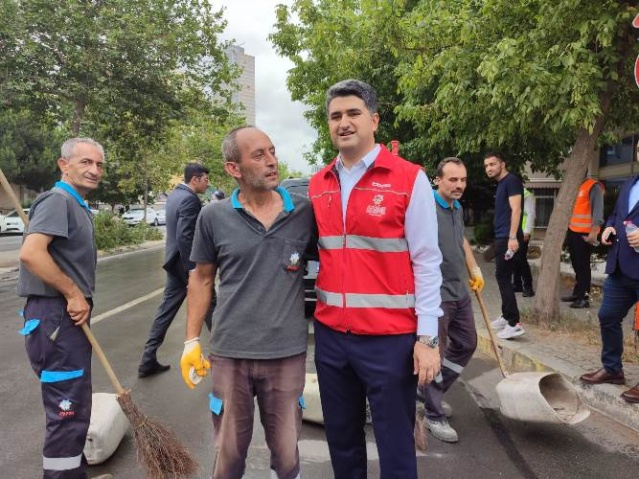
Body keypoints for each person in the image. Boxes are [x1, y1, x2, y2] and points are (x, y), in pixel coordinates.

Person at [308, 79, 442, 479]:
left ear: (374, 120)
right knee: (342, 441)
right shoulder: (319, 184)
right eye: (335, 116)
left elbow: (427, 261)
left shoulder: (408, 178)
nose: (343, 123)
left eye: (353, 113)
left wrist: (427, 338)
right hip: (332, 339)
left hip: (389, 341)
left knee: (395, 444)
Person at [179, 126, 315, 479]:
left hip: (286, 353)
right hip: (230, 354)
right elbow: (202, 278)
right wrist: (192, 340)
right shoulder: (213, 217)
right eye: (259, 155)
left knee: (286, 455)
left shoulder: (303, 212)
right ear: (233, 168)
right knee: (229, 455)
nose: (272, 162)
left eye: (272, 151)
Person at [18, 138, 111, 479]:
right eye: (86, 162)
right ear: (64, 164)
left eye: (99, 164)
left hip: (63, 320)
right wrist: (73, 293)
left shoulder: (75, 204)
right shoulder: (58, 200)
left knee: (74, 404)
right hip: (56, 319)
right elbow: (31, 253)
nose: (94, 170)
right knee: (66, 411)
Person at [418, 157, 483, 443]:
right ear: (438, 180)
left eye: (463, 180)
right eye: (453, 180)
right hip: (436, 297)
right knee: (434, 356)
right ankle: (433, 414)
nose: (459, 185)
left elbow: (461, 241)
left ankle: (429, 393)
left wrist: (474, 268)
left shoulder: (456, 207)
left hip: (460, 293)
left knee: (468, 344)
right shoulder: (425, 207)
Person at [138, 163, 211, 377]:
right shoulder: (189, 199)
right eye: (205, 179)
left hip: (173, 262)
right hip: (185, 265)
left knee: (166, 311)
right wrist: (193, 270)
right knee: (208, 301)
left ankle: (148, 359)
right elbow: (185, 236)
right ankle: (229, 358)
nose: (208, 183)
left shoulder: (175, 195)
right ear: (195, 179)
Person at [580, 144, 639, 404]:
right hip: (621, 267)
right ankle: (613, 369)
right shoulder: (630, 183)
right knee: (607, 316)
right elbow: (617, 215)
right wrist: (609, 228)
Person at [484, 152, 526, 340]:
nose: (489, 168)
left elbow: (516, 209)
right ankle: (506, 316)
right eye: (486, 166)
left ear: (503, 163)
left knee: (503, 278)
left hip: (507, 238)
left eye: (492, 164)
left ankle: (514, 323)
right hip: (502, 237)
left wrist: (512, 237)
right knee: (503, 277)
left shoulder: (512, 180)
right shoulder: (502, 183)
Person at [562, 177, 605, 309]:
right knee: (576, 263)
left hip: (585, 233)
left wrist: (594, 232)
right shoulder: (576, 186)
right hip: (573, 230)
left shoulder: (593, 186)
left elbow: (598, 210)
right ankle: (577, 293)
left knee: (583, 266)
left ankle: (584, 299)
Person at [512, 187, 536, 297]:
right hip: (515, 231)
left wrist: (527, 231)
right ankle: (517, 284)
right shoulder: (514, 194)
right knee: (515, 258)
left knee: (521, 259)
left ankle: (528, 287)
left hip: (523, 233)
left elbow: (531, 214)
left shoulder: (527, 195)